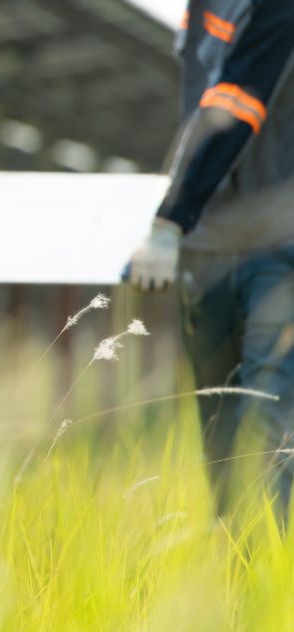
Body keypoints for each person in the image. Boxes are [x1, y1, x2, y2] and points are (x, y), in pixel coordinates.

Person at [125, 0, 294, 518]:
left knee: (271, 431)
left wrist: (168, 220)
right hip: (205, 249)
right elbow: (197, 109)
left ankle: (279, 582)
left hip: (278, 248)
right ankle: (237, 585)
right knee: (220, 441)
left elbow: (236, 101)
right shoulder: (200, 7)